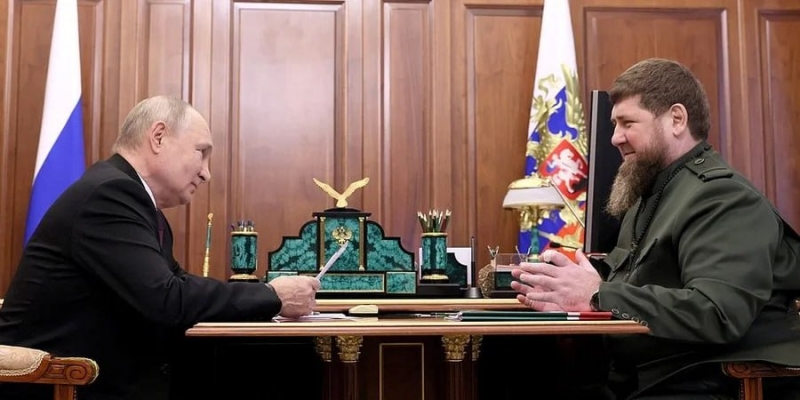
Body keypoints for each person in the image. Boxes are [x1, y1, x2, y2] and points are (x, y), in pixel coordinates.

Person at [511, 58, 800, 399]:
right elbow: (637, 276)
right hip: (644, 374)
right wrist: (560, 281)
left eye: (627, 123)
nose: (615, 138)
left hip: (705, 379)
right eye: (615, 124)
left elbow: (717, 313)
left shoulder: (723, 198)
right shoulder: (650, 193)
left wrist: (597, 293)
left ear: (677, 119)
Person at [0, 96, 321, 400]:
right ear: (158, 137)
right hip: (61, 388)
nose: (206, 173)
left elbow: (177, 286)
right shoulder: (109, 195)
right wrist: (272, 296)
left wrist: (268, 296)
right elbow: (167, 298)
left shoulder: (136, 203)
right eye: (201, 152)